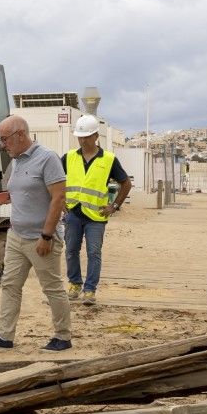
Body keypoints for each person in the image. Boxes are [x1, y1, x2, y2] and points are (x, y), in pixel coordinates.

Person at [0, 115, 73, 352]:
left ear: (20, 135)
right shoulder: (15, 161)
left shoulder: (47, 158)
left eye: (5, 139)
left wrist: (47, 235)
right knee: (10, 285)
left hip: (41, 238)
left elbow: (59, 197)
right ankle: (4, 336)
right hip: (17, 236)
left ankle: (63, 336)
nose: (2, 145)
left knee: (52, 287)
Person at [64, 114, 133, 305]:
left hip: (96, 216)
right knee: (71, 250)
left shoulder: (109, 159)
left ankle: (90, 289)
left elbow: (126, 183)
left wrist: (114, 206)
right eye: (80, 137)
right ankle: (75, 283)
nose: (83, 140)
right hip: (73, 214)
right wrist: (60, 201)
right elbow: (54, 179)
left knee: (94, 253)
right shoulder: (69, 157)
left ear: (96, 136)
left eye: (86, 136)